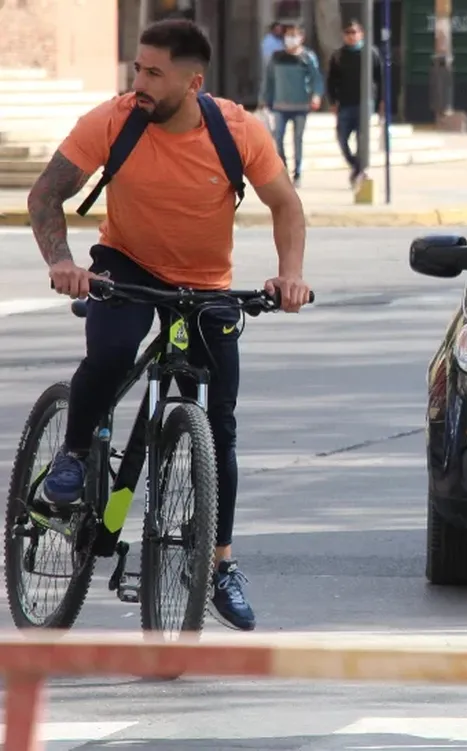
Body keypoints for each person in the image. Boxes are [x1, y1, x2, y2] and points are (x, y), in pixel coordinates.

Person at [24, 18, 312, 633]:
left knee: (220, 426)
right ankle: (74, 454)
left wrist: (290, 275)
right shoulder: (113, 120)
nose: (140, 83)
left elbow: (285, 204)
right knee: (109, 354)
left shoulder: (236, 130)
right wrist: (63, 263)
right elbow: (45, 195)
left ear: (193, 81)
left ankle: (220, 563)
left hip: (206, 283)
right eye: (138, 68)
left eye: (154, 73)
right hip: (125, 266)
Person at [260, 20, 324, 187]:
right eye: (288, 35)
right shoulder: (276, 57)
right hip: (280, 105)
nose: (291, 38)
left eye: (294, 35)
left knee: (297, 139)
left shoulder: (307, 57)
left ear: (302, 37)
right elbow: (269, 80)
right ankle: (283, 169)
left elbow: (317, 78)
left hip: (301, 105)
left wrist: (316, 96)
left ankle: (298, 173)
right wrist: (264, 99)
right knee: (279, 138)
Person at [326, 18, 383, 190]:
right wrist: (332, 101)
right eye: (348, 33)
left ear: (361, 34)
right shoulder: (338, 55)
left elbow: (379, 79)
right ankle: (357, 167)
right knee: (342, 138)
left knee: (361, 139)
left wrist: (381, 102)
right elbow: (331, 80)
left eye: (355, 32)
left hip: (364, 104)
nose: (352, 36)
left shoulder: (370, 53)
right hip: (345, 104)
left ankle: (358, 171)